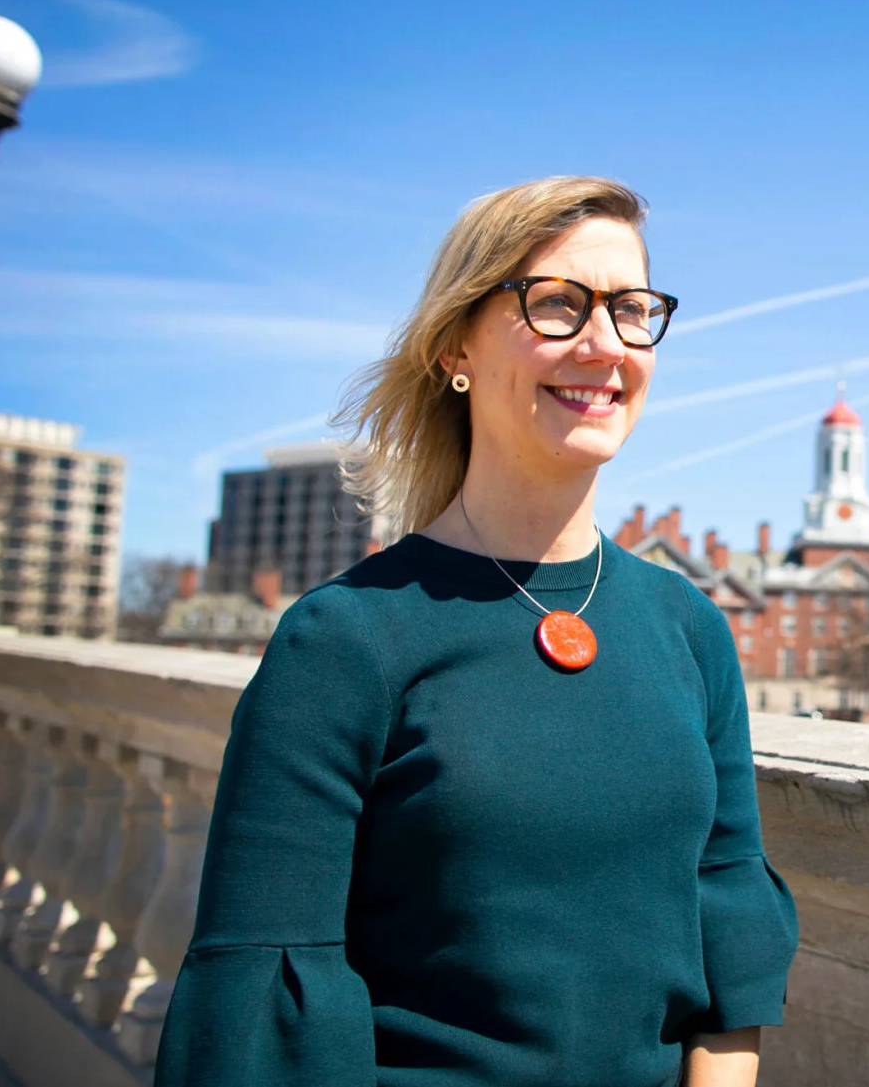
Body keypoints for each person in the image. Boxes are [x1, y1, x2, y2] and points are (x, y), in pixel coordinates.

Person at [154, 176, 798, 1087]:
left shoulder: (688, 628)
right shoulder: (344, 640)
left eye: (631, 309)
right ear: (455, 343)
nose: (603, 343)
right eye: (556, 304)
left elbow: (725, 922)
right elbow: (266, 1000)